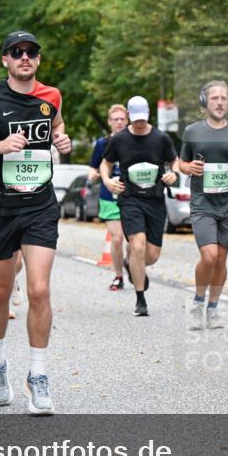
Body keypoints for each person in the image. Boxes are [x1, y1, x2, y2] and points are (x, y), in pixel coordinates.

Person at [0, 31, 72, 415]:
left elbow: (57, 130)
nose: (25, 57)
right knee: (1, 291)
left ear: (38, 59)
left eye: (31, 52)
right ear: (5, 59)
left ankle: (38, 376)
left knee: (38, 289)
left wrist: (63, 141)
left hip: (39, 205)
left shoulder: (51, 96)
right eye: (17, 52)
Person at [179, 81, 228, 329]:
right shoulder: (192, 132)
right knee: (209, 256)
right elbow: (181, 164)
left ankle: (212, 308)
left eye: (224, 98)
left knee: (221, 260)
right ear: (205, 102)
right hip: (202, 203)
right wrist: (189, 168)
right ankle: (197, 302)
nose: (220, 102)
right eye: (215, 98)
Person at [101, 96, 179, 317]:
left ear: (148, 115)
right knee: (137, 245)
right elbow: (105, 164)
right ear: (129, 116)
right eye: (135, 120)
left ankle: (130, 263)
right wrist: (108, 181)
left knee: (151, 255)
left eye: (142, 120)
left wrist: (174, 173)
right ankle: (140, 298)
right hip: (130, 199)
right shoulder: (120, 139)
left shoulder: (161, 138)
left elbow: (175, 161)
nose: (139, 124)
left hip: (155, 200)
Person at [89, 104, 131, 290]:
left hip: (132, 196)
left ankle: (130, 261)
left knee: (134, 240)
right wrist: (94, 174)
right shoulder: (102, 143)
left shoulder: (136, 141)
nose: (119, 122)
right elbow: (94, 166)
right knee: (117, 238)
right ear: (109, 122)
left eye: (122, 119)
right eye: (116, 119)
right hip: (109, 196)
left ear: (127, 120)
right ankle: (118, 276)